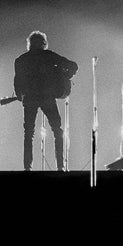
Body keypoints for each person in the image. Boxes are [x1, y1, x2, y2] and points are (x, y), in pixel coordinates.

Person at [14, 31, 78, 171]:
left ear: (29, 44)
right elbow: (73, 65)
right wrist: (64, 76)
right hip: (47, 97)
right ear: (43, 43)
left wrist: (20, 95)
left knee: (28, 133)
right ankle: (60, 166)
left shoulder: (21, 60)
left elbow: (17, 82)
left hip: (30, 98)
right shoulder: (49, 56)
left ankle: (27, 168)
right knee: (57, 130)